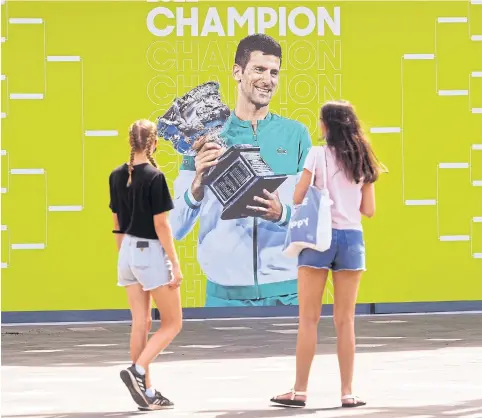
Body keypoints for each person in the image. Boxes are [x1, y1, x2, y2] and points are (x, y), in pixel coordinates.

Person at [170, 34, 312, 307]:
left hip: (287, 294)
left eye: (274, 72)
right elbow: (175, 227)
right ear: (237, 71)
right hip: (225, 297)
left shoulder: (296, 135)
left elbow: (315, 218)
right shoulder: (204, 138)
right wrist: (196, 186)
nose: (268, 80)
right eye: (259, 69)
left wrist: (282, 214)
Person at [270, 100, 386, 408]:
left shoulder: (316, 154)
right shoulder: (363, 159)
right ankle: (347, 392)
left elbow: (297, 197)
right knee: (345, 321)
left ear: (326, 126)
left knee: (308, 319)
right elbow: (369, 210)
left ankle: (299, 391)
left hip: (318, 239)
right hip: (351, 240)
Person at [108, 119, 183, 411]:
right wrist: (175, 265)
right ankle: (138, 371)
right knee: (173, 322)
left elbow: (116, 222)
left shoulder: (116, 175)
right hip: (149, 250)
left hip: (126, 250)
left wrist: (123, 256)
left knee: (141, 322)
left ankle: (147, 393)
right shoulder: (155, 175)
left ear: (131, 142)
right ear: (153, 144)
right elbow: (161, 225)